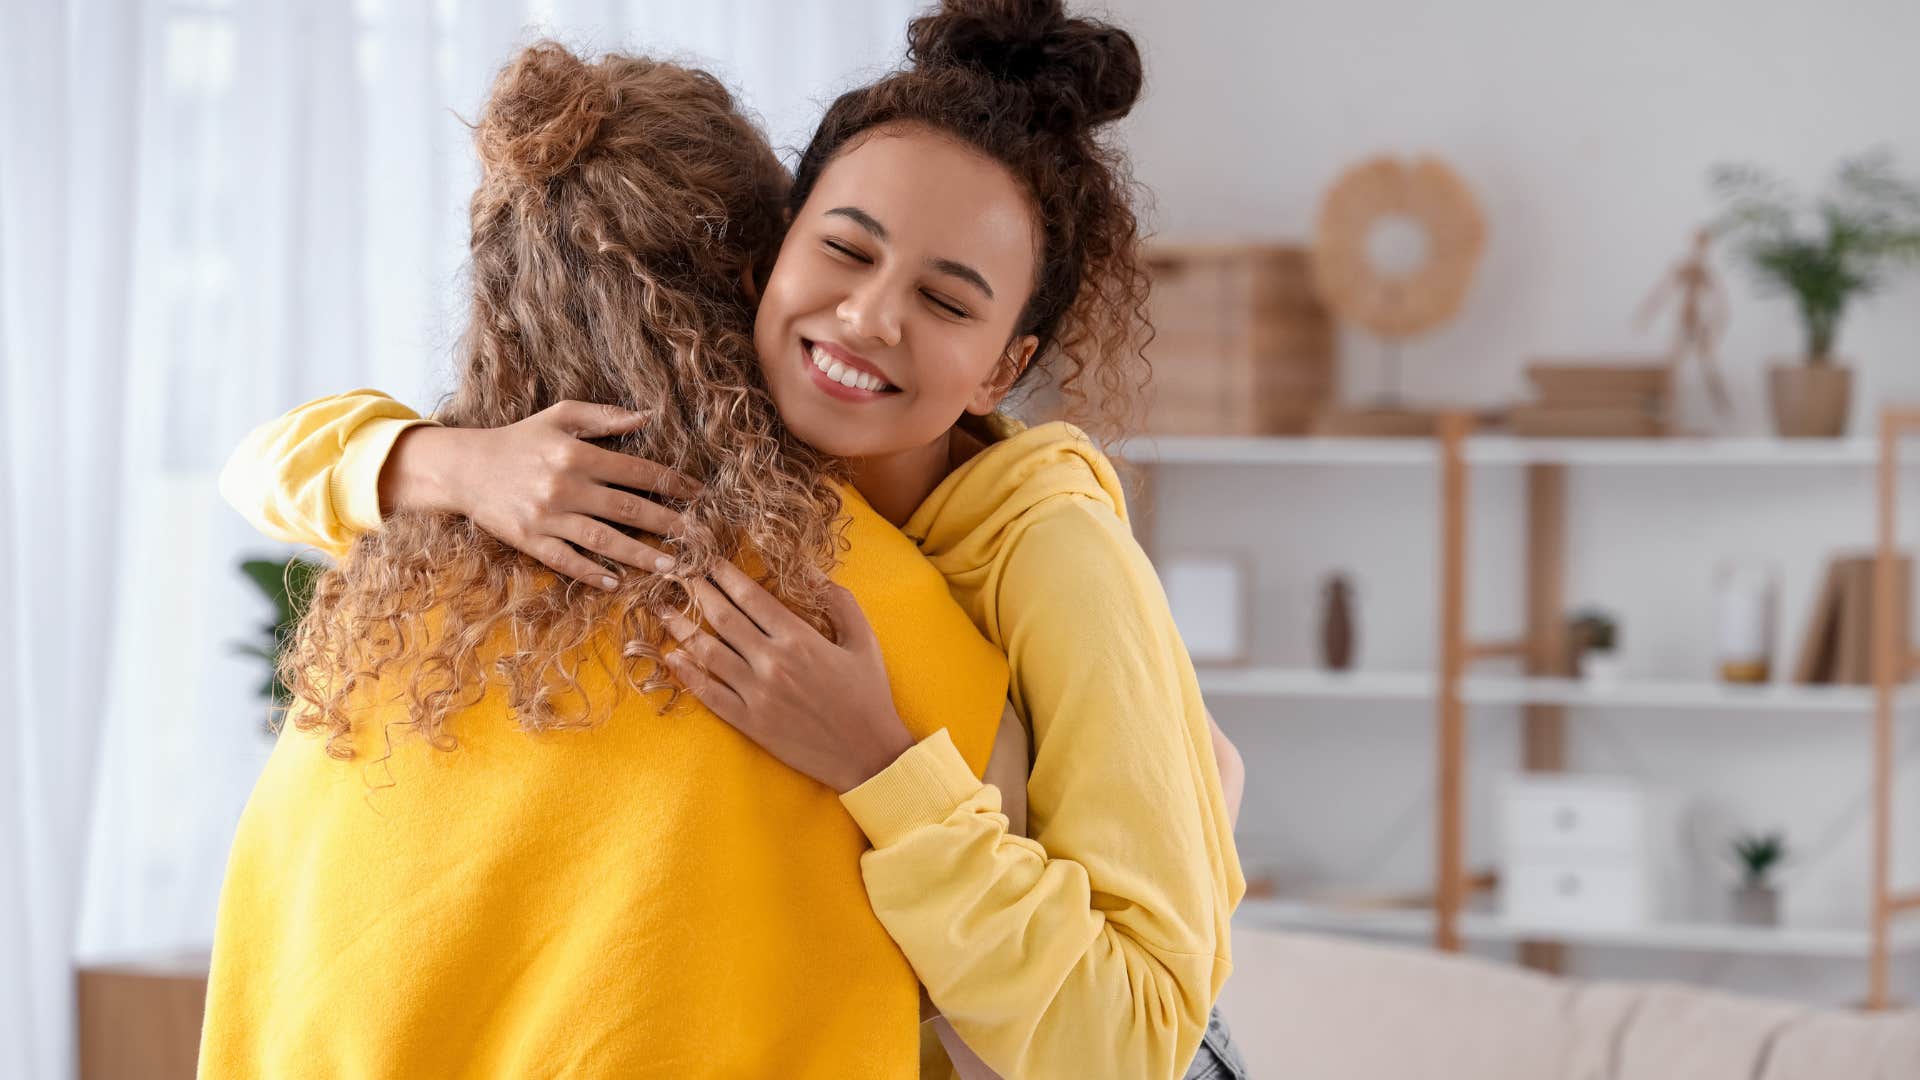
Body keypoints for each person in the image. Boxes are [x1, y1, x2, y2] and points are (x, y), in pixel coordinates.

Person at [222, 2, 1250, 1076]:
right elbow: (260, 465)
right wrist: (451, 465)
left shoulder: (1054, 557)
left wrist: (878, 763)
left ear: (1003, 368)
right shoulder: (740, 461)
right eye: (846, 250)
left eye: (947, 303)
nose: (867, 319)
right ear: (768, 255)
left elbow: (1136, 1038)